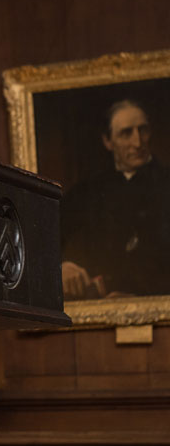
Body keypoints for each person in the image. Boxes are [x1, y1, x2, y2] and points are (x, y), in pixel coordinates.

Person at [61, 99, 170, 299]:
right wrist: (63, 266)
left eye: (142, 130)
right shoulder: (87, 192)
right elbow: (49, 239)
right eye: (126, 133)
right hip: (100, 312)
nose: (137, 142)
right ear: (108, 141)